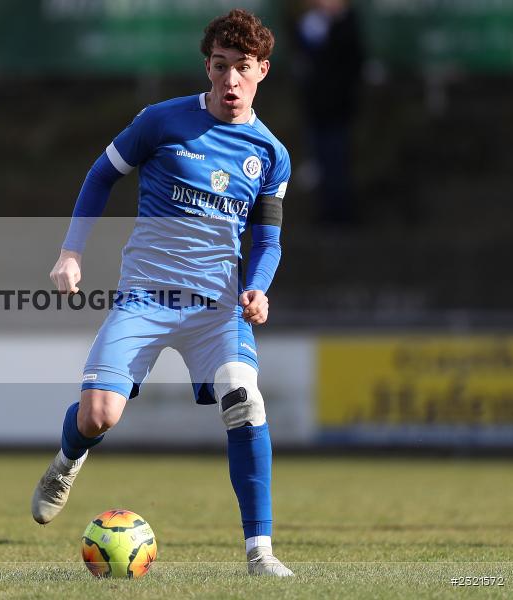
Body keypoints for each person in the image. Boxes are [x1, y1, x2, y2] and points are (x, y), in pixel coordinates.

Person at [30, 10, 293, 577]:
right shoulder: (161, 122)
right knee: (100, 415)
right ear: (208, 67)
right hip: (145, 298)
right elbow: (102, 175)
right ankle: (69, 456)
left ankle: (260, 554)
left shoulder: (271, 155)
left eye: (241, 69)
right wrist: (71, 252)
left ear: (262, 71)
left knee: (243, 399)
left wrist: (258, 289)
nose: (229, 81)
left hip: (218, 308)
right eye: (220, 67)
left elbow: (267, 241)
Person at [292, 0, 364, 224]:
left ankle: (341, 215)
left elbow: (349, 64)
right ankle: (326, 213)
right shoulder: (311, 23)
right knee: (320, 162)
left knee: (337, 163)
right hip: (315, 108)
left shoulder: (346, 25)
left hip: (337, 109)